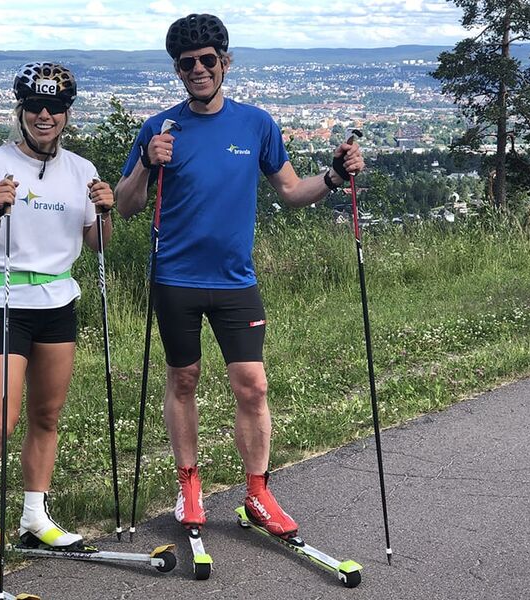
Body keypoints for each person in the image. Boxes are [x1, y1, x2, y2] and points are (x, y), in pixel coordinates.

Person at [114, 14, 364, 539]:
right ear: (177, 72)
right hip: (176, 279)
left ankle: (258, 493)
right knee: (183, 379)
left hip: (234, 280)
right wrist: (146, 164)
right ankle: (189, 487)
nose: (199, 70)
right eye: (188, 64)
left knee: (252, 386)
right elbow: (126, 205)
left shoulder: (256, 124)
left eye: (209, 60)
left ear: (226, 63)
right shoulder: (159, 127)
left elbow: (292, 192)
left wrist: (336, 176)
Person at [0, 62, 114, 581]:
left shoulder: (81, 169)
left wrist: (106, 212)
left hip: (58, 300)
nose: (46, 116)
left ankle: (34, 518)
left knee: (47, 416)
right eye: (36, 107)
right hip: (5, 300)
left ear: (67, 114)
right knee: (0, 419)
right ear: (20, 111)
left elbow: (96, 244)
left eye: (56, 108)